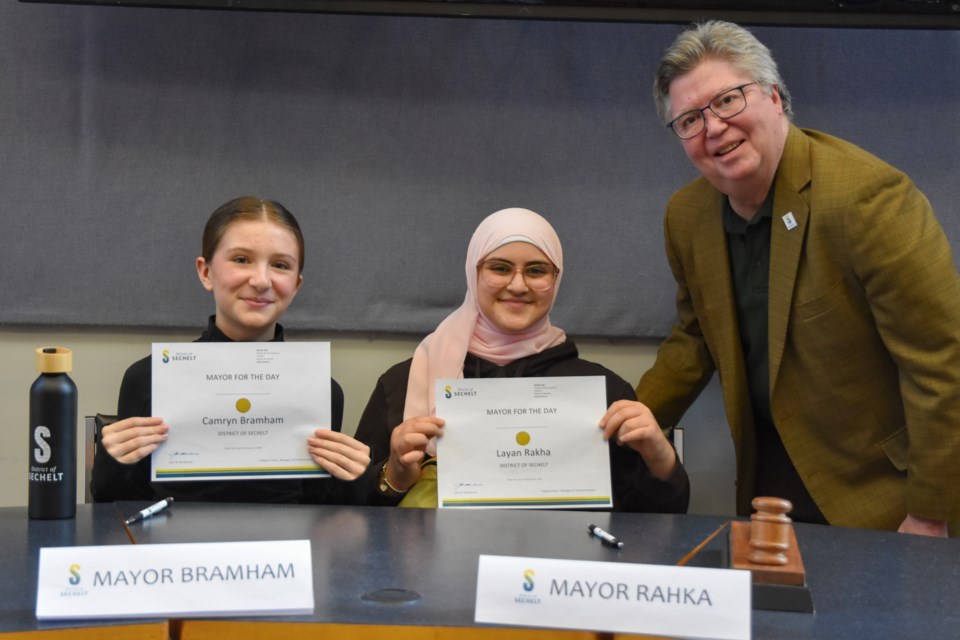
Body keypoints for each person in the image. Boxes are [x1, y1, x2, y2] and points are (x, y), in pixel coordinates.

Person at [639, 20, 960, 534]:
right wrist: (631, 420)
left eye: (727, 101)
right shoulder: (688, 216)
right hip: (768, 486)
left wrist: (929, 512)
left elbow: (943, 363)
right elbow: (696, 335)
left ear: (774, 97)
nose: (714, 127)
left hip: (885, 496)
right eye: (690, 119)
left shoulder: (868, 199)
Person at [354, 207, 689, 512]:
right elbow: (350, 516)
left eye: (536, 270)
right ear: (473, 271)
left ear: (556, 280)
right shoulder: (405, 383)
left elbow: (658, 522)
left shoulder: (604, 393)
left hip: (560, 575)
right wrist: (393, 477)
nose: (517, 285)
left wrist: (660, 457)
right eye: (499, 268)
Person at [91, 196, 370, 504]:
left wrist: (355, 480)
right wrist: (111, 462)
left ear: (296, 286)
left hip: (282, 552)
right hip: (176, 549)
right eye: (241, 259)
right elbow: (114, 506)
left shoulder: (323, 392)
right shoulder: (148, 378)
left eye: (280, 265)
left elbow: (323, 513)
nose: (261, 280)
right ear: (206, 272)